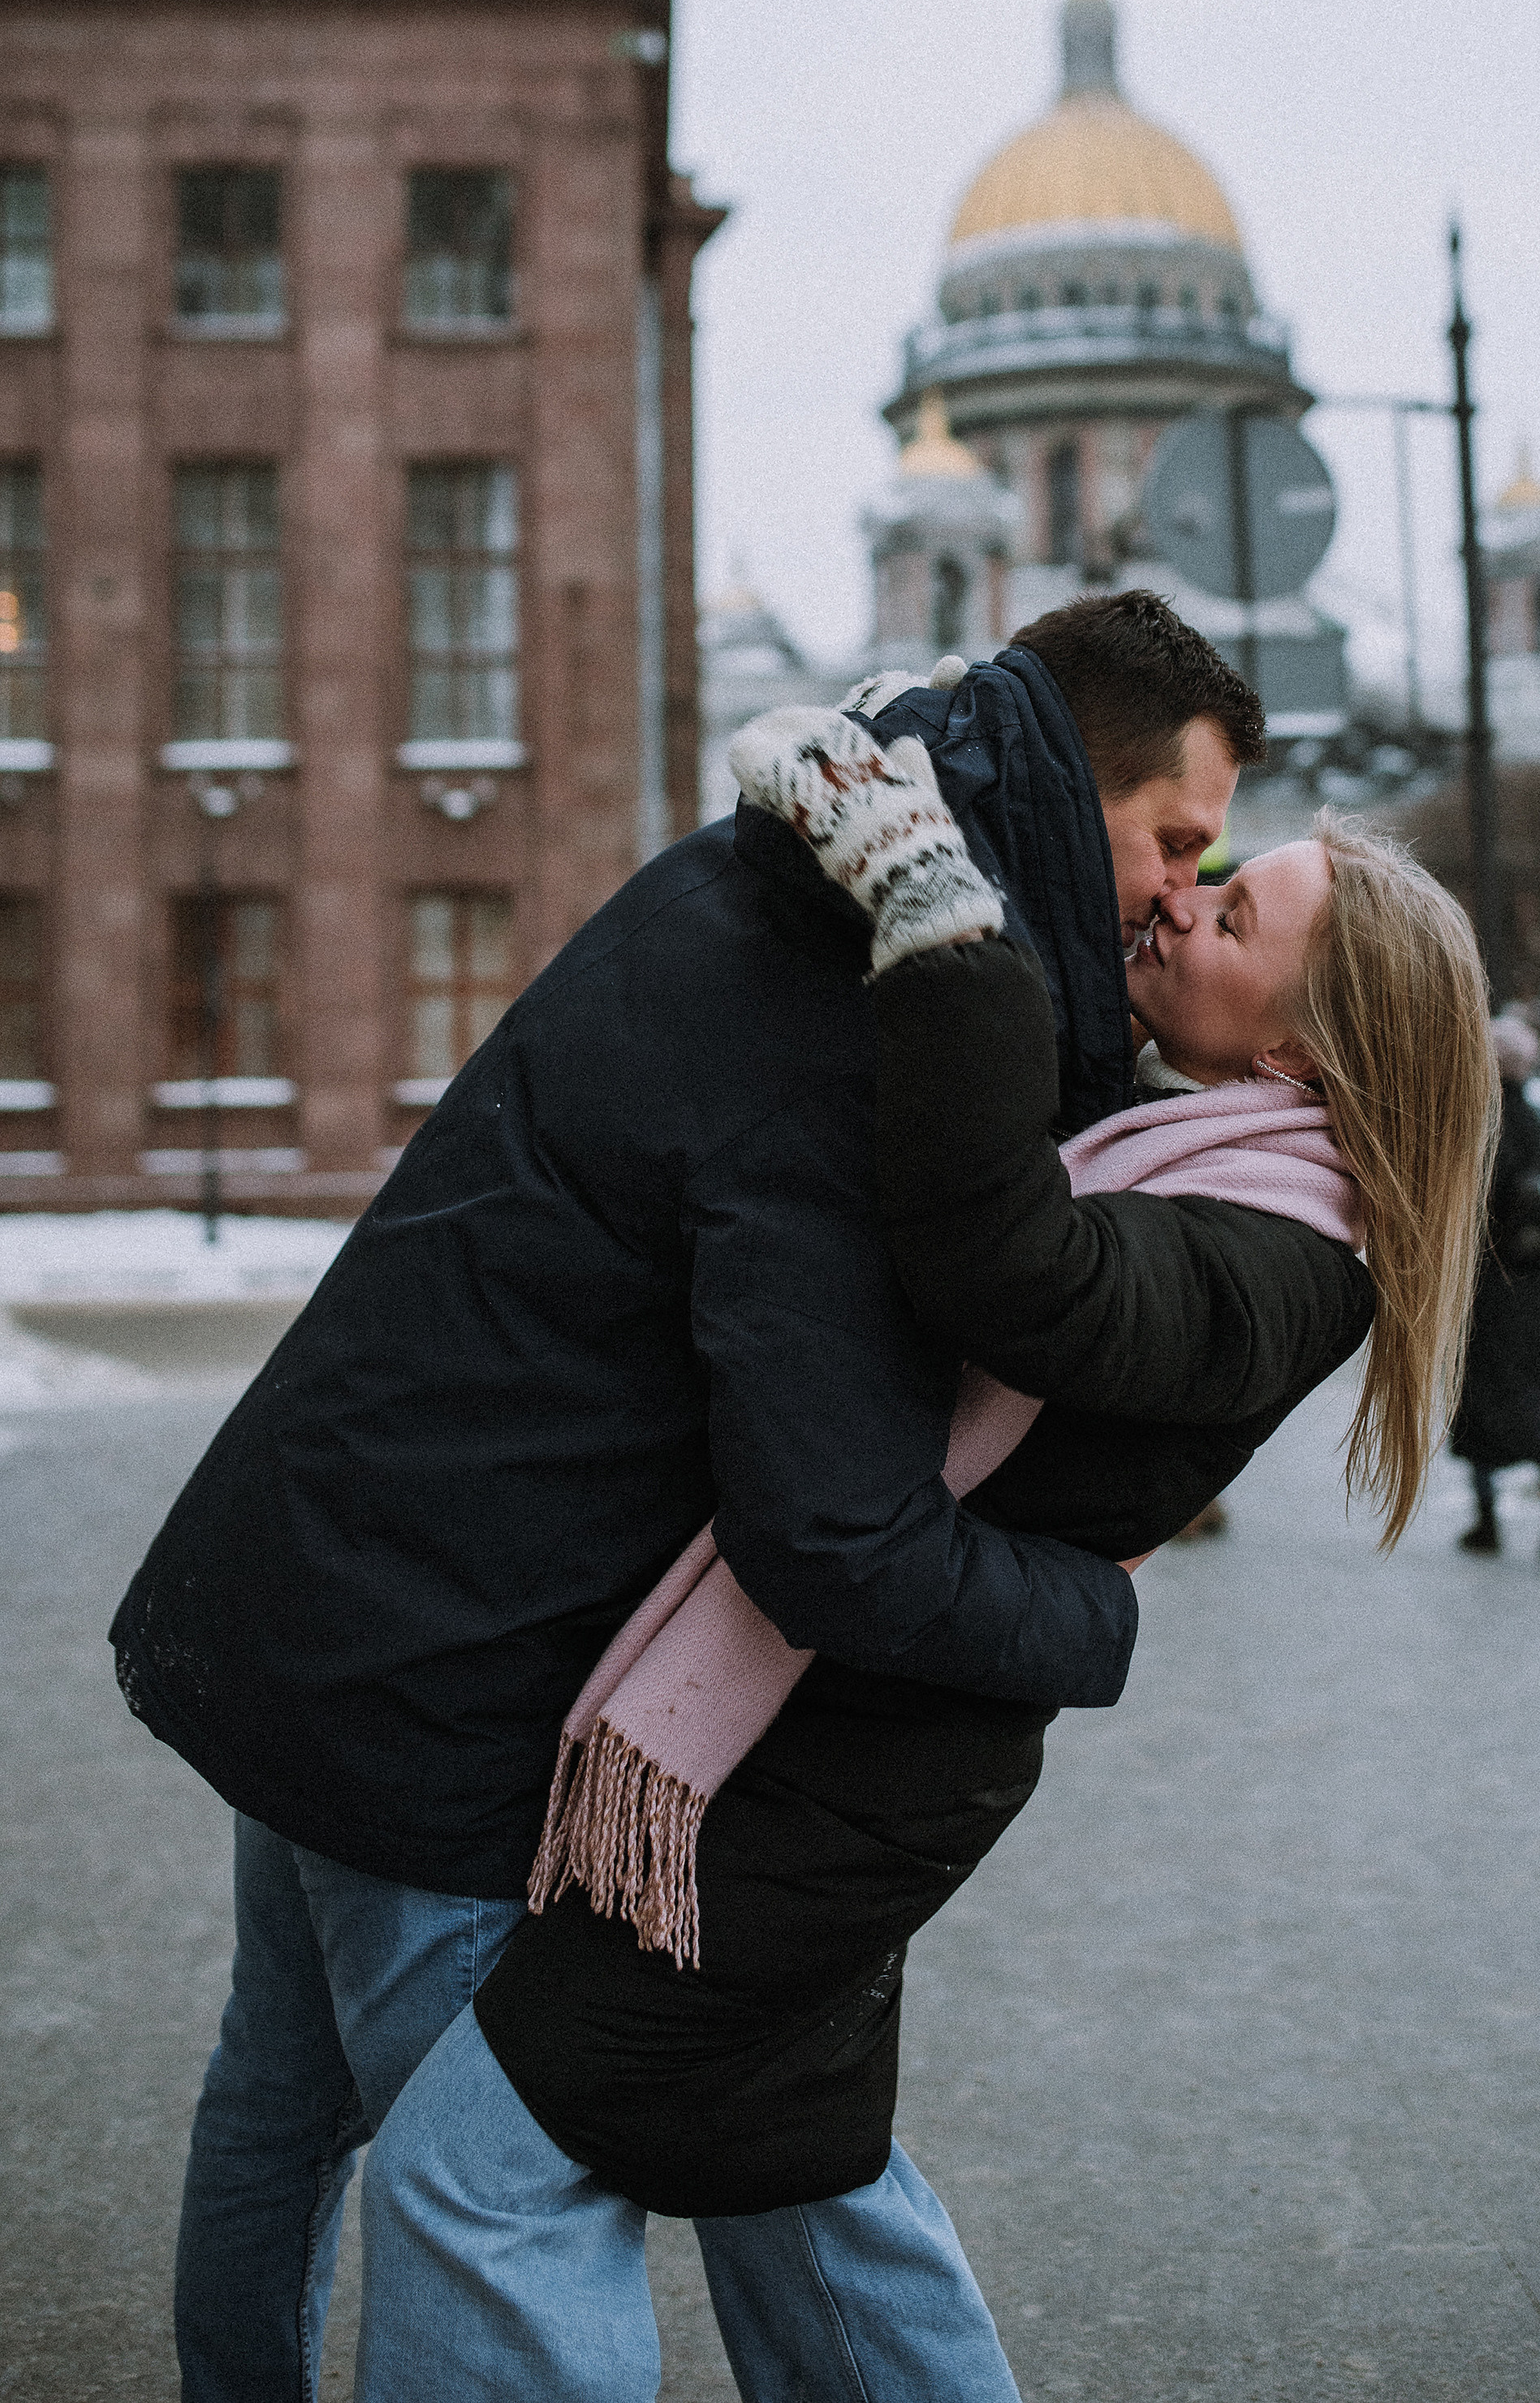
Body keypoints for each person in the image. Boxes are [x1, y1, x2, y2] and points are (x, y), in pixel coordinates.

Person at [110, 592, 1262, 2403]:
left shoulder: (774, 872)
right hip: (456, 1672)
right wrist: (1089, 1610)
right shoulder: (871, 1014)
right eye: (1173, 841)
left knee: (286, 2091)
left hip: (331, 1579)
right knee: (504, 2202)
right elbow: (832, 1529)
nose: (1181, 895)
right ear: (1066, 788)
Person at [345, 722, 1500, 2399]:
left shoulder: (1283, 1260)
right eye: (1205, 876)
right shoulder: (1193, 1157)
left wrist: (941, 925)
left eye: (1236, 916)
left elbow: (1014, 1273)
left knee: (472, 2176)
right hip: (841, 1753)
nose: (1183, 907)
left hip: (833, 1802)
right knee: (792, 2176)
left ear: (1305, 1052)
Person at [1450, 1012, 1540, 1558]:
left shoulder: (1486, 1127)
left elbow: (1468, 1208)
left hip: (1490, 1286)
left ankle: (1487, 1520)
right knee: (1535, 1395)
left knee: (1478, 1397)